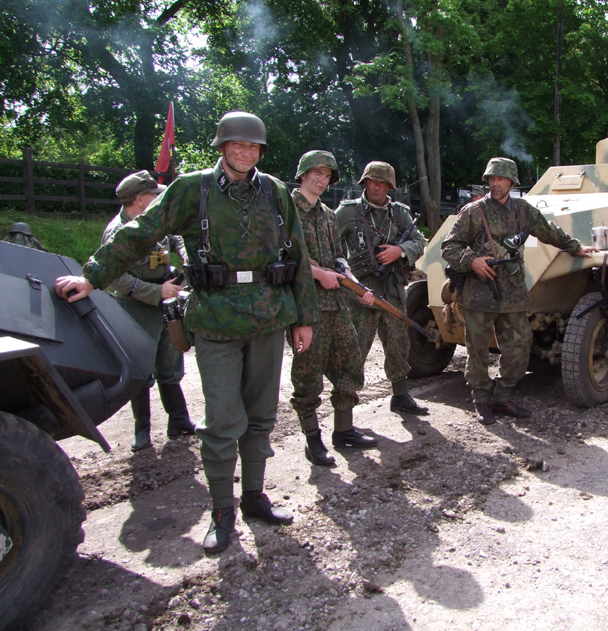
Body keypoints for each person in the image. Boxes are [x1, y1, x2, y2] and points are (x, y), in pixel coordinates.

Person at [56, 112, 318, 554]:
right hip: (215, 321)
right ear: (221, 146)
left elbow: (299, 255)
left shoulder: (274, 192)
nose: (245, 152)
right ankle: (222, 512)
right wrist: (92, 277)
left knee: (260, 417)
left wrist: (304, 317)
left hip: (270, 319)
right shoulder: (191, 189)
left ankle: (254, 497)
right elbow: (140, 233)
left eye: (253, 147)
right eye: (237, 145)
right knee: (221, 424)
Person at [441, 157, 597, 425]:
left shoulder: (523, 210)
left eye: (501, 179)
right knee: (477, 350)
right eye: (492, 179)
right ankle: (481, 399)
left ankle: (502, 397)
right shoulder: (473, 212)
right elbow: (449, 247)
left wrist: (574, 247)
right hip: (479, 291)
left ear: (512, 182)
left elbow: (548, 231)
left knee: (520, 347)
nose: (495, 184)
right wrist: (473, 261)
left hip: (512, 291)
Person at [289, 150, 379, 466]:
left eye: (327, 175)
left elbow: (339, 258)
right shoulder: (286, 211)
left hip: (337, 303)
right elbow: (284, 257)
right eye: (317, 173)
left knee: (350, 362)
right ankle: (313, 440)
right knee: (308, 373)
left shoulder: (328, 214)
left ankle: (344, 430)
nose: (322, 179)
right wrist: (319, 274)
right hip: (306, 305)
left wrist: (355, 284)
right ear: (303, 174)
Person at [103, 171, 195, 451]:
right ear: (140, 199)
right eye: (155, 195)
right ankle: (142, 430)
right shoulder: (117, 232)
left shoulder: (155, 221)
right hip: (137, 307)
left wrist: (187, 254)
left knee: (170, 363)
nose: (159, 199)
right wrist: (156, 292)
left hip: (166, 301)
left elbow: (176, 237)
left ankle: (178, 421)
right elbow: (115, 278)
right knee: (141, 369)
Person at [334, 161, 429, 417]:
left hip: (393, 292)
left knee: (399, 347)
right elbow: (329, 244)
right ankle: (344, 415)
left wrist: (401, 250)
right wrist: (343, 276)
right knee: (354, 352)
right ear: (365, 183)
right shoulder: (347, 212)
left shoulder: (400, 214)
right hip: (359, 295)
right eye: (372, 182)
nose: (376, 187)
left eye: (382, 183)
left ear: (390, 186)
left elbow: (420, 240)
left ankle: (400, 396)